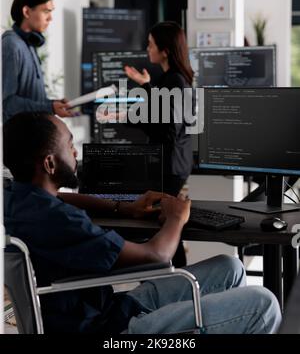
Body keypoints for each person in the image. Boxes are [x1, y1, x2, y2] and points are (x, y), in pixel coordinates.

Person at [3, 112, 281, 334]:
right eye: (69, 145)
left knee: (229, 267)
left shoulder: (17, 197)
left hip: (110, 308)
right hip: (110, 330)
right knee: (262, 304)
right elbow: (157, 256)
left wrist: (124, 207)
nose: (75, 152)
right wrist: (177, 217)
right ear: (50, 164)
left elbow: (63, 199)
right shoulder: (58, 219)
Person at [124, 21, 194, 197]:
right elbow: (163, 111)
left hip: (170, 168)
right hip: (173, 165)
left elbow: (167, 130)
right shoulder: (172, 78)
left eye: (151, 44)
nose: (148, 49)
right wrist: (146, 85)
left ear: (165, 51)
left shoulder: (174, 81)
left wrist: (129, 117)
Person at [2, 0, 73, 123]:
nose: (50, 18)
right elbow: (7, 104)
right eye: (46, 11)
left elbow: (31, 98)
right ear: (27, 12)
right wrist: (49, 107)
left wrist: (53, 104)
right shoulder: (11, 45)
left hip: (36, 135)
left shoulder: (30, 44)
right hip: (20, 139)